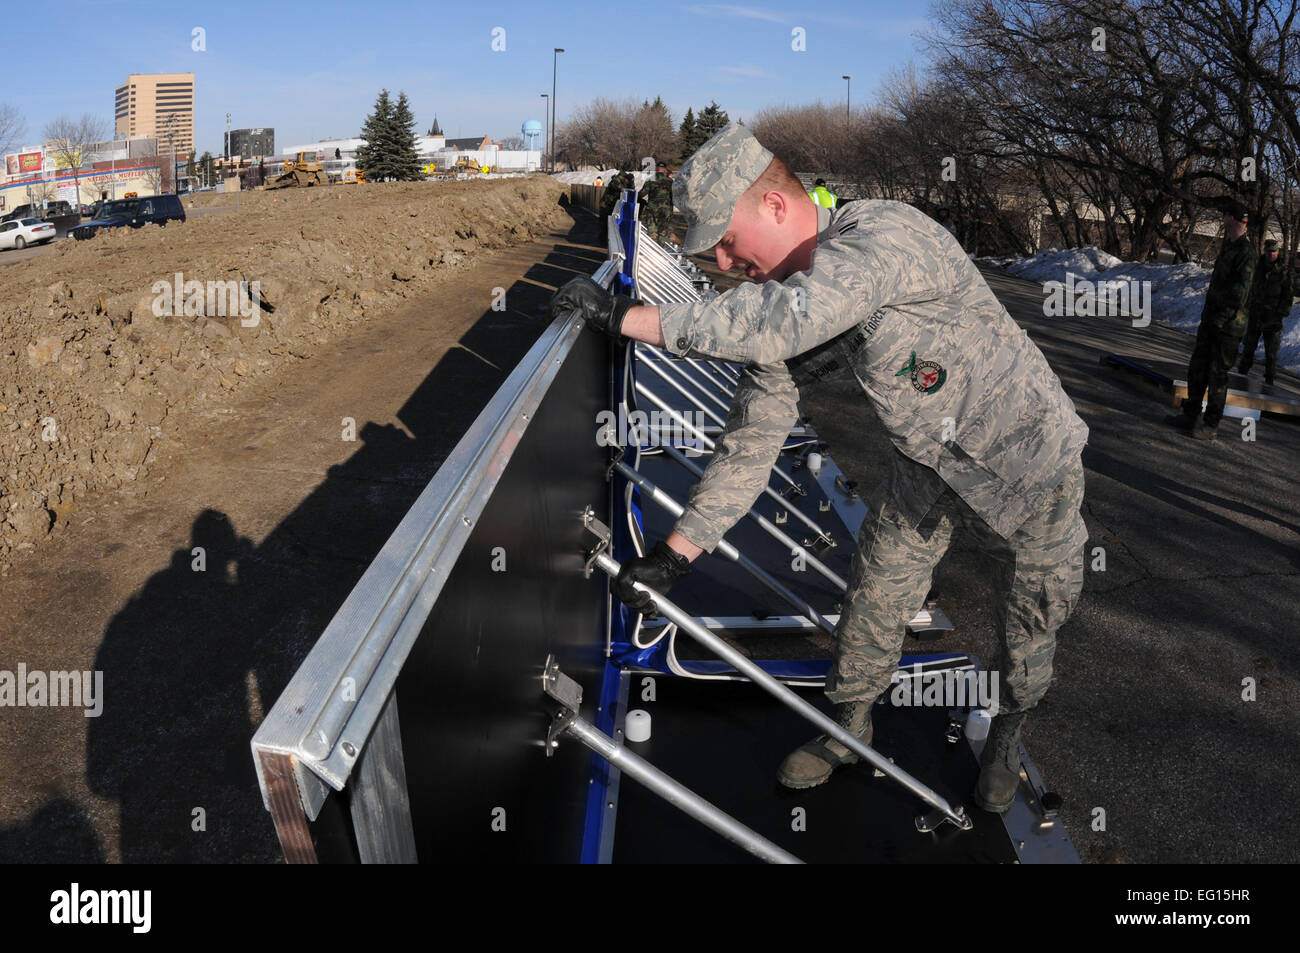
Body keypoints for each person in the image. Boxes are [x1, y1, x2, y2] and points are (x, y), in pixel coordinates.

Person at [550, 124, 1089, 813]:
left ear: (774, 206)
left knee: (1033, 622)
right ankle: (846, 728)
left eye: (725, 238)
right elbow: (753, 438)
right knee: (873, 599)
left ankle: (1009, 732)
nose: (721, 259)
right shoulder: (787, 301)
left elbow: (786, 319)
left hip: (1027, 452)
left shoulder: (883, 237)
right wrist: (676, 554)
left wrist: (633, 318)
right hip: (927, 461)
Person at [1165, 200, 1256, 440]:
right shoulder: (1229, 245)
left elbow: (1240, 293)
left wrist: (1220, 316)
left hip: (1228, 326)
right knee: (1197, 369)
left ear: (1233, 219)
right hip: (1212, 320)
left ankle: (1210, 425)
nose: (1222, 219)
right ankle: (1190, 414)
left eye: (1225, 215)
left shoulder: (1246, 252)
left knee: (1217, 376)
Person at [1237, 238, 1291, 385]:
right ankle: (1241, 374)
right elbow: (1247, 286)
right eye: (1268, 251)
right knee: (1249, 347)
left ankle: (1269, 379)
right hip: (1255, 314)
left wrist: (1280, 314)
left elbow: (1287, 295)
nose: (1271, 254)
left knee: (1271, 352)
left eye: (1273, 251)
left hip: (1272, 318)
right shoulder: (1256, 267)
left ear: (1278, 252)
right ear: (1264, 251)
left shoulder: (1283, 272)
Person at [638, 161, 675, 242]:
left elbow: (642, 194)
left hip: (653, 210)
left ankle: (652, 249)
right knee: (663, 232)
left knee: (652, 232)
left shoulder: (651, 180)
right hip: (666, 210)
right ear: (665, 170)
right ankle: (660, 250)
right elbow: (674, 197)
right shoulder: (671, 182)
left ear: (656, 169)